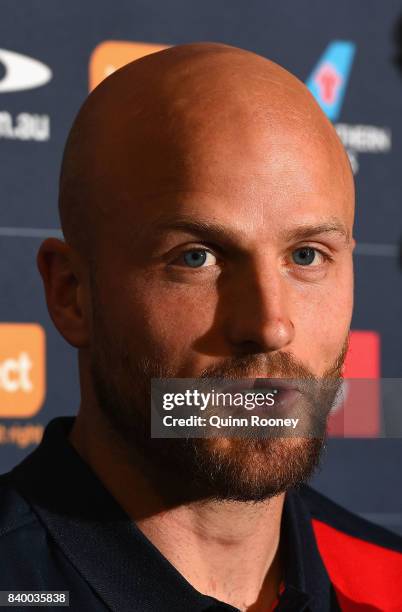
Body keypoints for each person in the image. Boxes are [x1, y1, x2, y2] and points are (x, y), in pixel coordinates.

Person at [1, 42, 401, 612]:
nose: (269, 326)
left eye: (308, 256)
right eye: (196, 258)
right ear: (71, 295)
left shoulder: (392, 583)